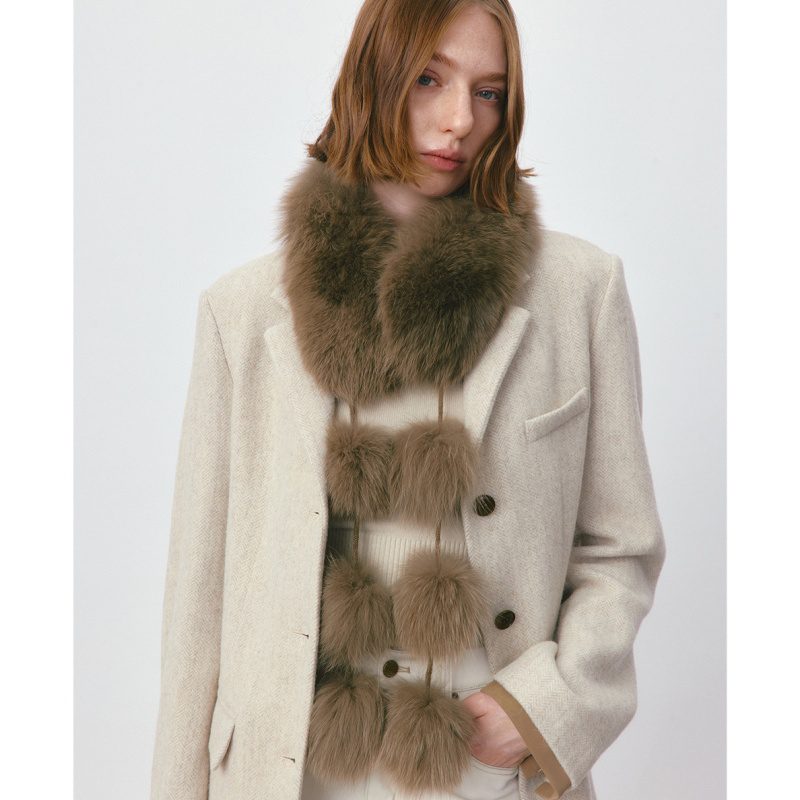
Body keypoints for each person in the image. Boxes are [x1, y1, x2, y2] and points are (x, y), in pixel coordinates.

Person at [149, 1, 666, 800]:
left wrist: (544, 709)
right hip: (295, 772)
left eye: (489, 92)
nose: (460, 120)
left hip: (484, 771)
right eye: (429, 78)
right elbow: (199, 600)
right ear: (372, 76)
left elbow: (620, 548)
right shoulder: (242, 314)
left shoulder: (579, 292)